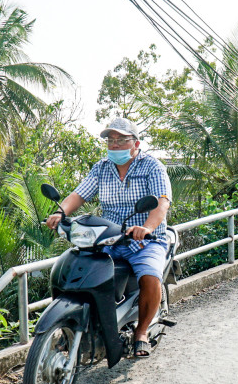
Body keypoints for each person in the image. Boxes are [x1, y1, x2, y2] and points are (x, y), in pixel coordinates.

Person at [45, 117, 172, 358]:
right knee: (83, 270)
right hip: (109, 237)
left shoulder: (152, 167)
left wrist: (146, 227)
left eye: (121, 140)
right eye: (110, 140)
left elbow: (162, 203)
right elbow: (79, 194)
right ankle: (80, 326)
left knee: (149, 276)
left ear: (136, 143)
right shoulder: (101, 168)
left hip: (145, 239)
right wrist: (60, 213)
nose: (114, 145)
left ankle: (141, 332)